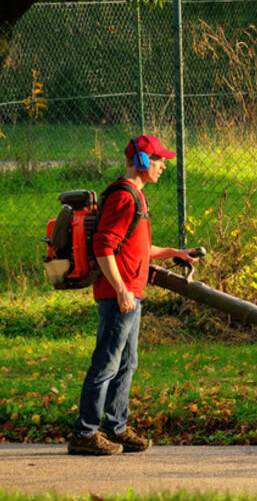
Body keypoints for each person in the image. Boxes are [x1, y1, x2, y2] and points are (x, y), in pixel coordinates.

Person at [67, 135, 197, 456]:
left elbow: (135, 247)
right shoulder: (125, 198)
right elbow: (103, 247)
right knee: (107, 363)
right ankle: (85, 432)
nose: (164, 166)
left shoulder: (136, 197)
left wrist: (173, 251)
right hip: (119, 296)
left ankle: (116, 427)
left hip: (129, 294)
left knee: (127, 362)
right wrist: (122, 289)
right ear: (141, 161)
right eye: (159, 160)